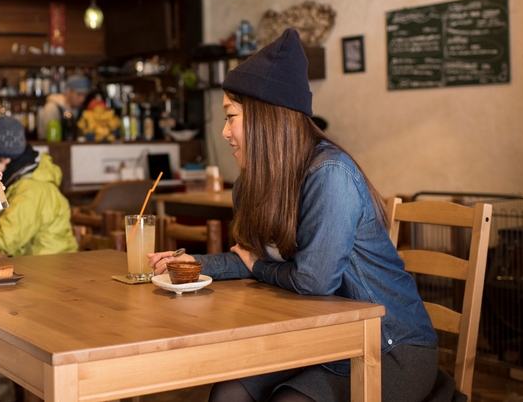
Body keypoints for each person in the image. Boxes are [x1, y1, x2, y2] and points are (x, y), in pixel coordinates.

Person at [148, 29, 439, 402]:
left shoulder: (330, 175)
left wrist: (258, 268)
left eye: (231, 116)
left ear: (266, 119)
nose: (224, 132)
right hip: (324, 339)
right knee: (228, 394)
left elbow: (312, 281)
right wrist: (192, 264)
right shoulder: (254, 182)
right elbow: (250, 257)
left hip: (389, 346)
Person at [0, 114, 77, 256]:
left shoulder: (32, 189)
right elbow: (8, 229)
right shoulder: (22, 180)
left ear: (6, 158)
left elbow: (6, 241)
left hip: (52, 267)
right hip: (38, 263)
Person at [36, 74, 91, 140]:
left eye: (85, 95)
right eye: (79, 94)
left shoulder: (79, 110)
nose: (82, 99)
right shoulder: (52, 108)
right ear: (68, 91)